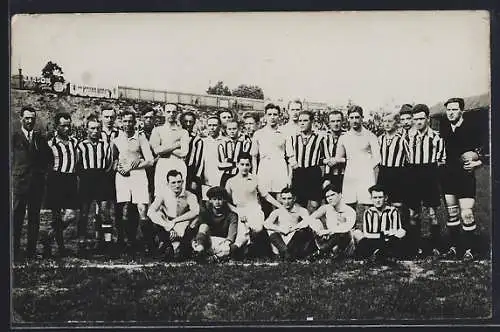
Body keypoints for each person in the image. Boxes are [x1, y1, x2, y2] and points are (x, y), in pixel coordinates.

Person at [439, 97, 486, 261]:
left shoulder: (472, 128)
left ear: (461, 111)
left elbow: (485, 152)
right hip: (448, 176)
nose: (450, 113)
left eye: (454, 109)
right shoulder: (444, 128)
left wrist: (477, 163)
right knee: (452, 215)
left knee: (466, 214)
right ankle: (454, 247)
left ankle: (469, 249)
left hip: (465, 177)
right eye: (448, 110)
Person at [405, 104, 446, 259]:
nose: (419, 122)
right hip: (413, 174)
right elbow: (405, 159)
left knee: (432, 213)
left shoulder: (436, 138)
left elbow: (442, 161)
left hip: (430, 173)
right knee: (413, 214)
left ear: (428, 118)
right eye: (416, 119)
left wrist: (435, 178)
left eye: (422, 118)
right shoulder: (407, 137)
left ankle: (435, 246)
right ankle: (416, 247)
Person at [111, 110, 154, 255]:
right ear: (120, 122)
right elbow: (114, 160)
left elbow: (150, 160)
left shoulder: (140, 138)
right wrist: (119, 168)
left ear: (135, 122)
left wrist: (135, 165)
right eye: (125, 121)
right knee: (123, 209)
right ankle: (126, 242)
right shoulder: (116, 138)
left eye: (130, 121)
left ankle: (149, 244)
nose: (128, 124)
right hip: (122, 177)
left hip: (139, 176)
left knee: (142, 209)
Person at [225, 153, 284, 258]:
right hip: (239, 210)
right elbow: (227, 201)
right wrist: (238, 212)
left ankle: (252, 247)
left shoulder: (255, 179)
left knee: (257, 228)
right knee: (241, 236)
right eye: (242, 164)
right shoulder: (231, 181)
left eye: (247, 164)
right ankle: (236, 251)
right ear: (237, 164)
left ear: (250, 166)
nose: (244, 167)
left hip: (254, 210)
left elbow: (266, 196)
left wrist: (281, 206)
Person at [12, 106, 51, 261]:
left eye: (32, 118)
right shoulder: (14, 137)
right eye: (27, 118)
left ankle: (31, 251)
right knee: (17, 218)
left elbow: (49, 158)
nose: (30, 121)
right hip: (20, 183)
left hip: (36, 184)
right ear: (21, 118)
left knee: (34, 218)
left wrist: (44, 174)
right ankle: (14, 251)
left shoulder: (40, 138)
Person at [42, 112, 80, 258]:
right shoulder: (50, 144)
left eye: (68, 125)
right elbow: (45, 163)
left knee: (71, 215)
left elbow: (77, 159)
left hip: (70, 179)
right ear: (57, 126)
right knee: (56, 216)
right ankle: (60, 247)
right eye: (63, 126)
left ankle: (48, 237)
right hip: (56, 180)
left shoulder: (74, 142)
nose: (66, 128)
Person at [76, 114, 114, 256]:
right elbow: (77, 164)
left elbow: (109, 163)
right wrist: (84, 178)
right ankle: (81, 244)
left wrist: (103, 176)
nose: (95, 131)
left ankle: (108, 244)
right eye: (92, 128)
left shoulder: (105, 145)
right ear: (86, 129)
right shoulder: (81, 145)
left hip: (102, 178)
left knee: (105, 212)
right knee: (84, 213)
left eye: (98, 128)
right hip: (86, 179)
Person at [251, 103, 296, 218]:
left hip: (280, 168)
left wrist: (289, 177)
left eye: (275, 114)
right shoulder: (258, 134)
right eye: (269, 114)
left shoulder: (285, 134)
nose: (272, 117)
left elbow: (290, 156)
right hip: (264, 168)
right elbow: (254, 156)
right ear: (265, 116)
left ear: (279, 116)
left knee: (280, 201)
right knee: (264, 200)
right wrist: (255, 175)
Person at [335, 105, 381, 213]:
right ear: (348, 119)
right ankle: (351, 228)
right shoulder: (344, 137)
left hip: (366, 174)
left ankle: (369, 229)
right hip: (350, 173)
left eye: (357, 117)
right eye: (352, 118)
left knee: (368, 205)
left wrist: (369, 172)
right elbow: (339, 158)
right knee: (349, 205)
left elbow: (377, 158)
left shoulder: (371, 136)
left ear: (362, 118)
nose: (354, 120)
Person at [147, 170, 200, 261]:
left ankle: (183, 247)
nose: (177, 185)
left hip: (182, 223)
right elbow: (150, 211)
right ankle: (166, 245)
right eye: (173, 183)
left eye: (179, 182)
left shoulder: (190, 195)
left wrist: (175, 221)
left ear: (183, 182)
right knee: (157, 215)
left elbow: (195, 211)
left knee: (196, 220)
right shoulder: (163, 194)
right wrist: (167, 225)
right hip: (167, 223)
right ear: (168, 184)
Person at [353, 184, 406, 263]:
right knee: (357, 233)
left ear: (385, 198)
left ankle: (377, 254)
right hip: (372, 241)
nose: (377, 200)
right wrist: (383, 234)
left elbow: (396, 230)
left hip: (389, 241)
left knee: (402, 232)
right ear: (371, 199)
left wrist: (385, 236)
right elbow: (367, 233)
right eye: (375, 197)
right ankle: (381, 254)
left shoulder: (392, 211)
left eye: (380, 197)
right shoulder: (368, 212)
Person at [263, 188, 316, 261]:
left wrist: (292, 229)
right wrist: (281, 229)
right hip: (281, 240)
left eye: (289, 198)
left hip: (294, 240)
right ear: (281, 199)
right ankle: (286, 253)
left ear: (294, 198)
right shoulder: (278, 211)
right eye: (284, 199)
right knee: (270, 231)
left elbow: (307, 221)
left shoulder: (301, 210)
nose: (286, 202)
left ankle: (286, 254)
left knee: (303, 231)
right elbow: (266, 224)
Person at [150, 103, 189, 197]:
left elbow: (184, 152)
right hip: (163, 164)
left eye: (174, 112)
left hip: (178, 164)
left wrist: (164, 148)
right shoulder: (157, 130)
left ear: (177, 113)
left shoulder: (183, 132)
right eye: (168, 111)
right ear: (163, 112)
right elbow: (156, 150)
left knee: (179, 196)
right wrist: (176, 145)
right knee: (161, 195)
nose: (171, 114)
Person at [289, 110, 326, 212]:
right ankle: (301, 226)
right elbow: (289, 155)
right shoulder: (293, 138)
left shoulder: (320, 138)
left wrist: (326, 177)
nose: (302, 123)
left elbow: (326, 158)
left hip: (313, 172)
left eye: (305, 120)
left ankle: (313, 225)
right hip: (299, 172)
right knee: (299, 204)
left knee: (315, 204)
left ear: (312, 122)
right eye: (300, 121)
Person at [308, 184, 356, 261]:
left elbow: (346, 227)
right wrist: (319, 230)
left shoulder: (349, 210)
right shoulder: (326, 208)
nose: (330, 198)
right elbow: (310, 219)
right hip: (329, 240)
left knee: (344, 233)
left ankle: (320, 252)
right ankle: (326, 251)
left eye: (332, 195)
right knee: (315, 221)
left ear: (340, 195)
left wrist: (329, 231)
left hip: (345, 244)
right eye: (327, 197)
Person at [192, 186, 239, 263]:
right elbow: (200, 231)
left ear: (224, 200)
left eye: (220, 199)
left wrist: (226, 244)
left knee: (229, 248)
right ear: (210, 200)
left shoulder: (231, 215)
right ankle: (199, 252)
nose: (217, 202)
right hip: (207, 243)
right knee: (203, 226)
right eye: (214, 199)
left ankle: (212, 258)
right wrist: (197, 243)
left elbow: (231, 236)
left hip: (223, 243)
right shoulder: (206, 213)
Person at [377, 112, 409, 210]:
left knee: (397, 202)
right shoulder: (379, 139)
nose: (387, 124)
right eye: (384, 121)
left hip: (398, 173)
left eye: (390, 121)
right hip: (383, 172)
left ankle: (400, 223)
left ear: (396, 123)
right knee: (383, 201)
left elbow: (409, 158)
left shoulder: (402, 140)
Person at [218, 120, 252, 188]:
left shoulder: (245, 142)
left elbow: (245, 160)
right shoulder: (222, 144)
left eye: (234, 129)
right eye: (229, 129)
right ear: (226, 130)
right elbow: (221, 165)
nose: (232, 131)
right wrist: (235, 163)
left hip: (241, 176)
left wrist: (229, 160)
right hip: (226, 176)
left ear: (239, 129)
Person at [202, 116, 229, 199]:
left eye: (214, 125)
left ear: (219, 126)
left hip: (221, 180)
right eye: (209, 125)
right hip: (207, 181)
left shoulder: (226, 141)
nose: (212, 128)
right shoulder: (203, 142)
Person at [180, 111, 204, 200]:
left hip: (190, 172)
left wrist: (195, 179)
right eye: (186, 121)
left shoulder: (197, 140)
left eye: (191, 122)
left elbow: (198, 161)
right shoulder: (176, 136)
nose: (188, 124)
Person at [322, 110, 346, 191]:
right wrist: (327, 161)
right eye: (333, 121)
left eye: (338, 121)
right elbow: (317, 157)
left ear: (343, 121)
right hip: (327, 175)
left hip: (344, 174)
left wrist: (338, 160)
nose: (336, 124)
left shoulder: (348, 136)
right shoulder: (323, 137)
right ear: (328, 122)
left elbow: (353, 157)